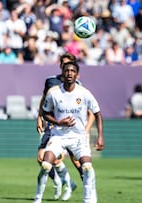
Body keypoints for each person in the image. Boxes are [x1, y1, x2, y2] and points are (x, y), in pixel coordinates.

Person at [33, 61, 105, 203]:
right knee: (45, 165)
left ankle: (89, 200)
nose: (69, 73)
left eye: (73, 71)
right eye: (67, 71)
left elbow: (97, 113)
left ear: (77, 74)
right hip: (58, 135)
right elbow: (45, 113)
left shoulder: (84, 93)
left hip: (78, 137)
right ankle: (37, 199)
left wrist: (100, 136)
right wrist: (59, 122)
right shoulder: (53, 93)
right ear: (62, 74)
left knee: (87, 168)